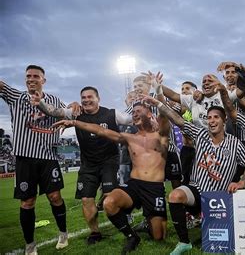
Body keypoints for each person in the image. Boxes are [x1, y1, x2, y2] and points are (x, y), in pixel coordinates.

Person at [52, 100, 170, 253]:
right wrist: (75, 122)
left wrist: (158, 97)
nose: (134, 114)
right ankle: (132, 236)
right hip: (134, 184)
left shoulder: (161, 136)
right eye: (133, 113)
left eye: (138, 111)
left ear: (149, 114)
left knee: (159, 237)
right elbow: (101, 131)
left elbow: (166, 119)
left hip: (154, 188)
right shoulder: (129, 137)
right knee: (109, 203)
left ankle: (149, 222)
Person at [32, 86, 132, 245]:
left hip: (109, 161)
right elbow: (54, 112)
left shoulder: (112, 114)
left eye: (90, 97)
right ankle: (95, 233)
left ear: (98, 98)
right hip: (88, 164)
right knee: (86, 199)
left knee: (110, 197)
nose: (86, 100)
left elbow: (131, 119)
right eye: (83, 97)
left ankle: (125, 212)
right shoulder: (76, 113)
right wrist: (40, 103)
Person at [153, 96, 245, 255]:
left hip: (219, 198)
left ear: (224, 120)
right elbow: (178, 120)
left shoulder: (235, 143)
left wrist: (241, 182)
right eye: (209, 118)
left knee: (221, 244)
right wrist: (157, 102)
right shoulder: (201, 134)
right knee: (174, 195)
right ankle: (184, 242)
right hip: (197, 190)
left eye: (216, 117)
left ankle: (206, 220)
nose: (211, 121)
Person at [0, 65, 69, 254]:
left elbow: (68, 112)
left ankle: (63, 233)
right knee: (27, 202)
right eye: (28, 76)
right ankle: (30, 245)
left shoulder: (54, 99)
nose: (31, 79)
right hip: (25, 158)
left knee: (55, 197)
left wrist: (74, 106)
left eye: (36, 76)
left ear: (43, 80)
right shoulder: (16, 97)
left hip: (49, 157)